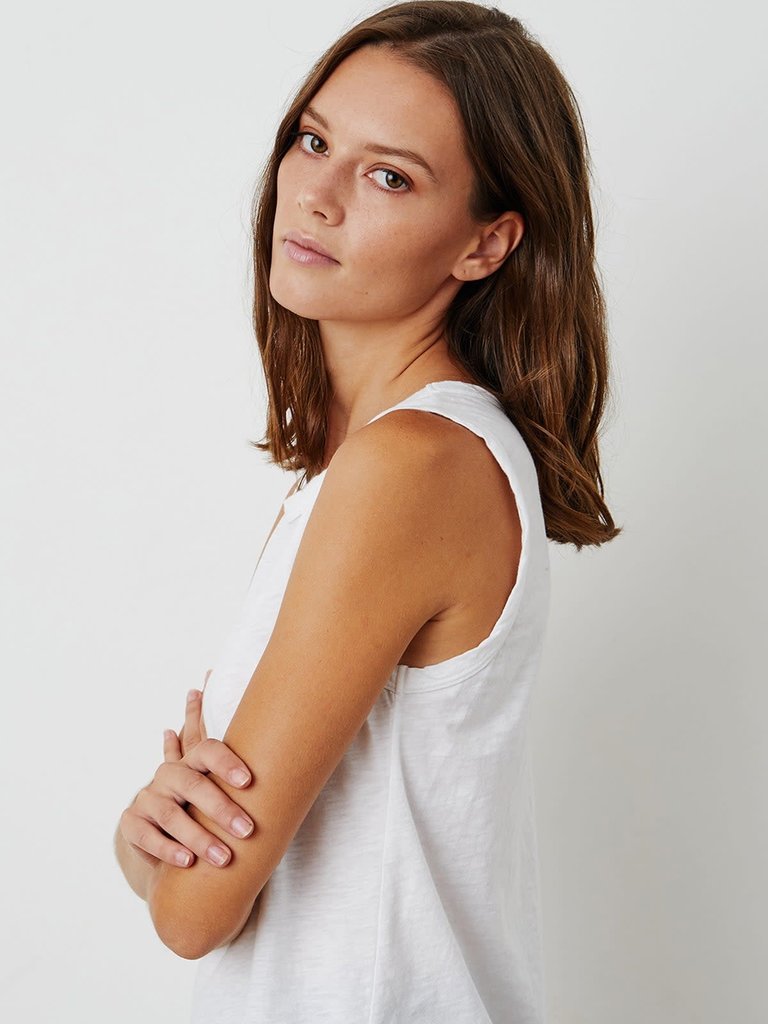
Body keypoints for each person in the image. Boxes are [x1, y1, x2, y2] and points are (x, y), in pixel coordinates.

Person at [114, 2, 621, 1020]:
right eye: (314, 141)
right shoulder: (363, 470)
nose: (317, 194)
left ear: (487, 244)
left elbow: (196, 912)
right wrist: (150, 839)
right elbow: (203, 887)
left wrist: (166, 866)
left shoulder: (411, 468)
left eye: (390, 176)